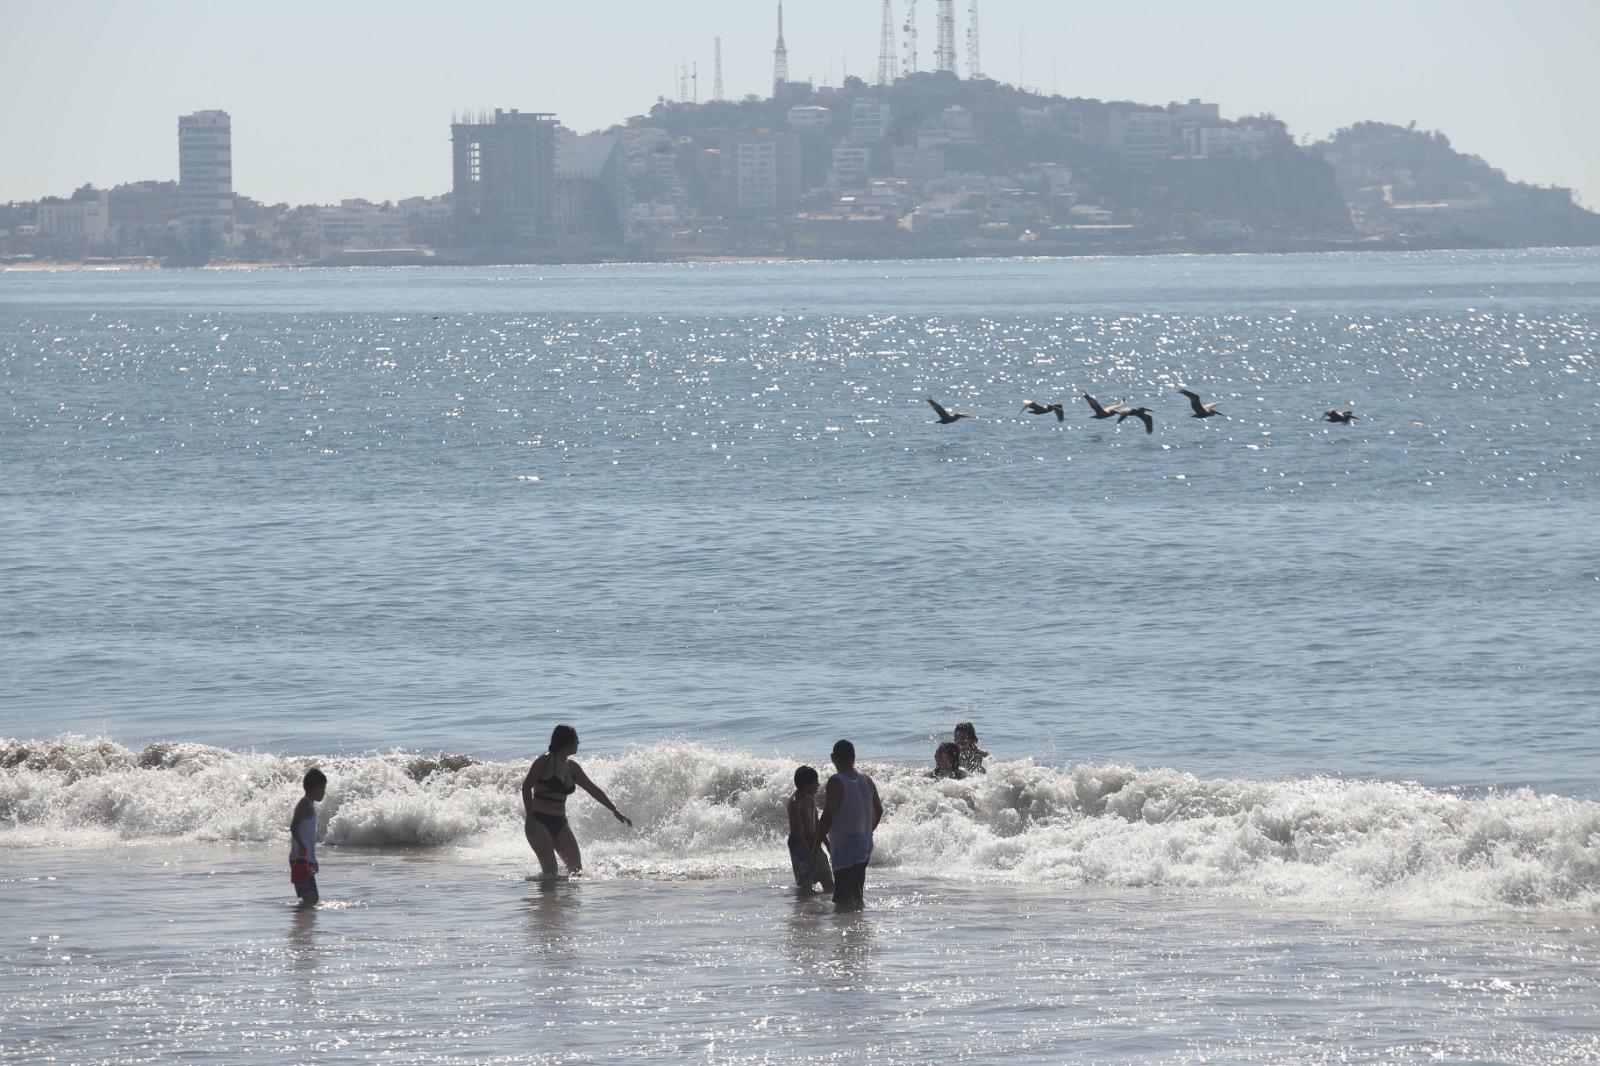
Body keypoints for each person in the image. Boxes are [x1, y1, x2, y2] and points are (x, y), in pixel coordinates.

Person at [522, 724, 632, 879]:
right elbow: (526, 786)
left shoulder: (572, 768)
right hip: (539, 821)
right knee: (551, 873)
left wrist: (614, 810)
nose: (579, 743)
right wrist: (530, 818)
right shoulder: (544, 762)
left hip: (560, 823)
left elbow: (593, 790)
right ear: (567, 742)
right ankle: (546, 901)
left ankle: (566, 903)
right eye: (577, 739)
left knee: (576, 871)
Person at [812, 739, 882, 912]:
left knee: (843, 900)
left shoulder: (837, 781)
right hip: (864, 846)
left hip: (845, 849)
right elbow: (879, 810)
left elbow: (827, 816)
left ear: (833, 758)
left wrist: (815, 846)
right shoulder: (867, 779)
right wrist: (868, 832)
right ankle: (859, 930)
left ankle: (847, 933)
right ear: (854, 757)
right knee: (857, 893)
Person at [787, 766, 835, 895]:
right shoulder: (794, 803)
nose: (819, 785)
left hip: (814, 842)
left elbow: (818, 824)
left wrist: (828, 846)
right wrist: (809, 856)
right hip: (799, 845)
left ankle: (829, 911)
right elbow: (798, 833)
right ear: (806, 785)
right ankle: (805, 911)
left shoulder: (811, 798)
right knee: (805, 886)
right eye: (816, 782)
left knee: (829, 884)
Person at [289, 768, 327, 907]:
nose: (324, 792)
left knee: (312, 898)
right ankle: (299, 921)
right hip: (299, 859)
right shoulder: (305, 804)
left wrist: (313, 859)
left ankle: (302, 922)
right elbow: (293, 827)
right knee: (311, 898)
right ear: (315, 788)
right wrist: (303, 848)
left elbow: (307, 836)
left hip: (305, 859)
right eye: (323, 788)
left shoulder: (309, 805)